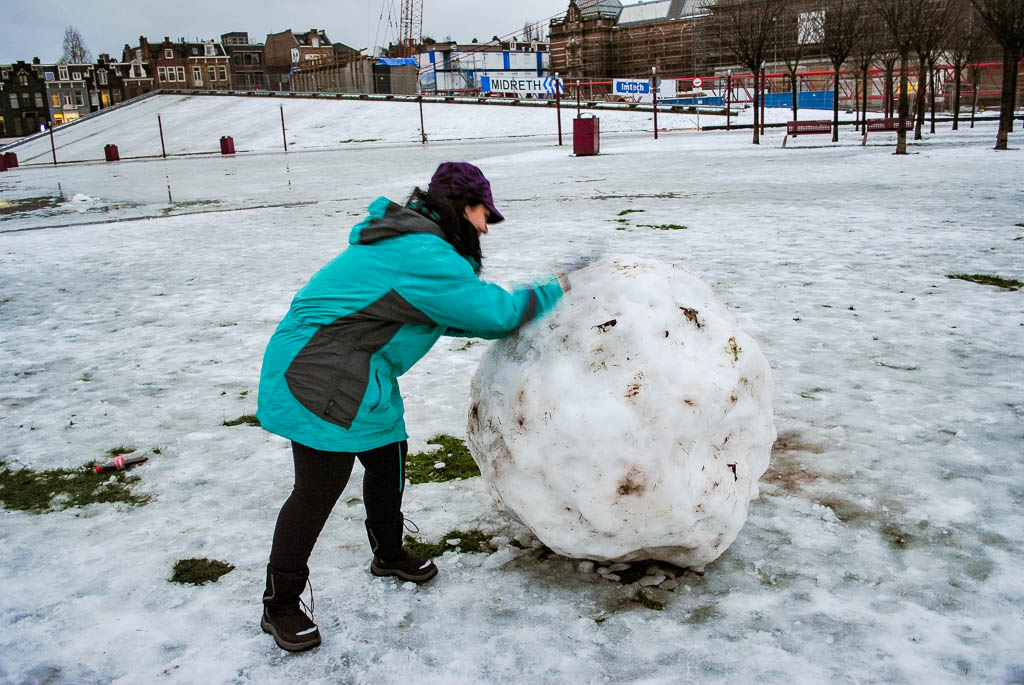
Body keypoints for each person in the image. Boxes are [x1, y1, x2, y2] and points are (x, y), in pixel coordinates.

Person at [256, 161, 568, 652]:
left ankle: (389, 553)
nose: (487, 227)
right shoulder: (423, 252)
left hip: (361, 370)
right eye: (486, 215)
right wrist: (555, 289)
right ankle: (280, 605)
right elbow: (494, 313)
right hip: (319, 371)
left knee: (389, 458)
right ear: (464, 208)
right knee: (318, 487)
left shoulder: (419, 246)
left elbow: (444, 313)